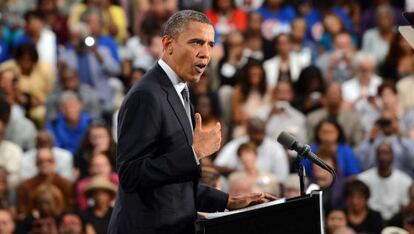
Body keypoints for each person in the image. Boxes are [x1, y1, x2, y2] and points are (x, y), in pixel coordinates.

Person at [108, 10, 274, 234]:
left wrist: (228, 201)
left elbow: (176, 184)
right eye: (197, 42)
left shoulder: (181, 91)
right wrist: (194, 153)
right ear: (169, 44)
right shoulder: (146, 95)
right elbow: (131, 175)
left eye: (210, 45)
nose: (205, 54)